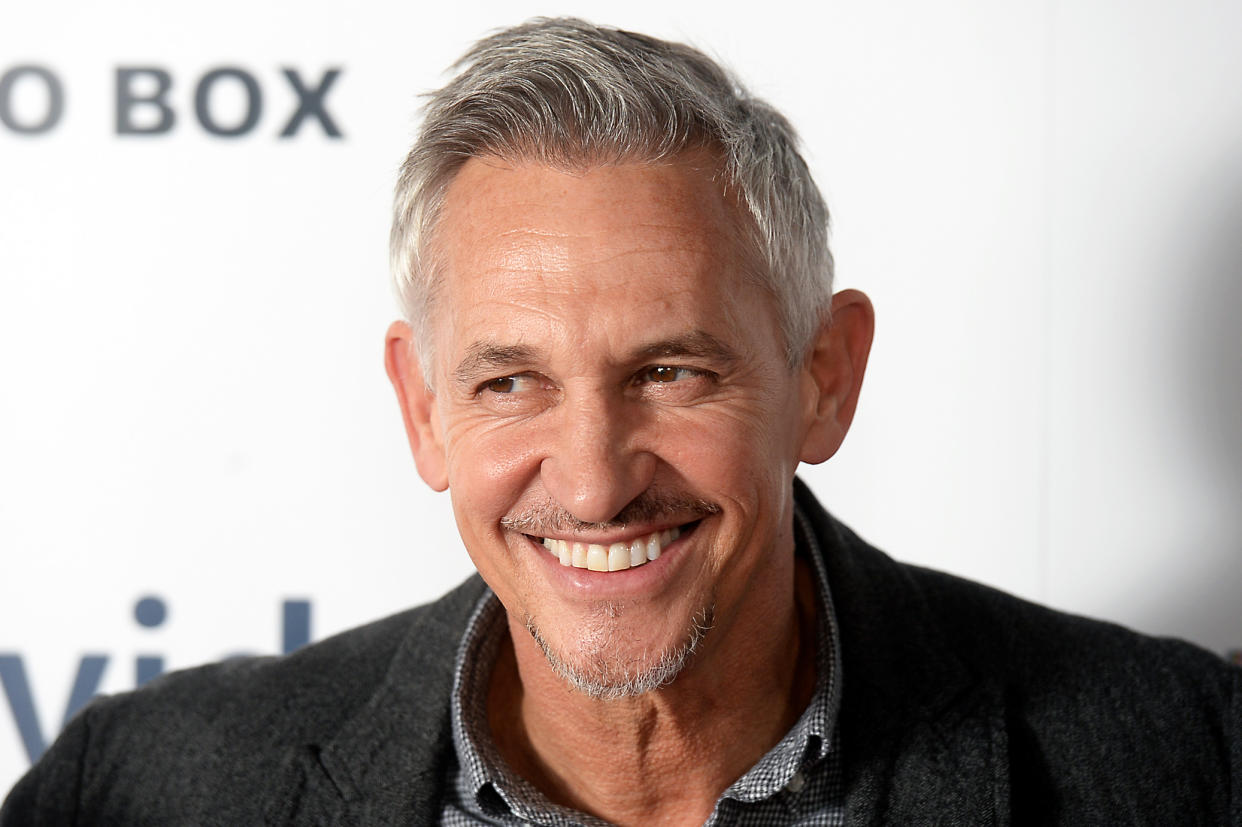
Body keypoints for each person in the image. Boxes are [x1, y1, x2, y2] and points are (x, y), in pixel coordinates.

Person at [3, 17, 1238, 826]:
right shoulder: (142, 792)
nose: (593, 484)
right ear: (422, 409)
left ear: (824, 375)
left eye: (671, 371)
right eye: (509, 383)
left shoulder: (1184, 765)